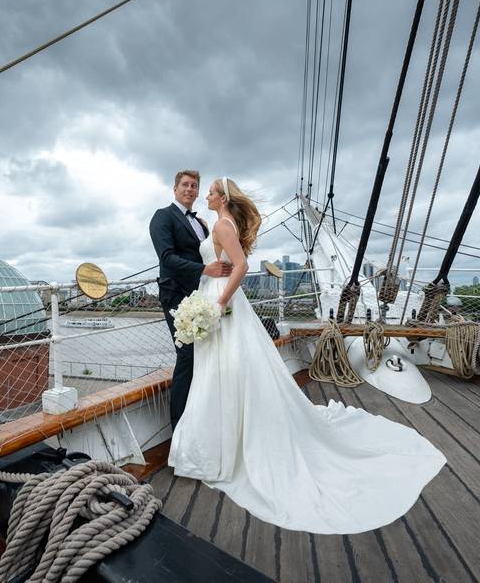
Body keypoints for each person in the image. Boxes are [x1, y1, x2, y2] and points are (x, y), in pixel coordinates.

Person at [167, 176, 447, 535]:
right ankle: (222, 441)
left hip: (220, 301)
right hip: (213, 296)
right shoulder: (218, 223)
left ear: (222, 197)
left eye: (209, 191)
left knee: (224, 370)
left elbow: (241, 266)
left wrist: (218, 304)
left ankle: (221, 447)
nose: (204, 194)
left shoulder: (221, 224)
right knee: (221, 369)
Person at [149, 170, 232, 430]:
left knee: (205, 354)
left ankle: (201, 419)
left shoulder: (203, 224)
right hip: (175, 294)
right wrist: (205, 270)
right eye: (185, 185)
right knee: (186, 355)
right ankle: (179, 428)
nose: (190, 189)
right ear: (175, 189)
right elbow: (167, 258)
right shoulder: (162, 216)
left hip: (200, 296)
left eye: (194, 186)